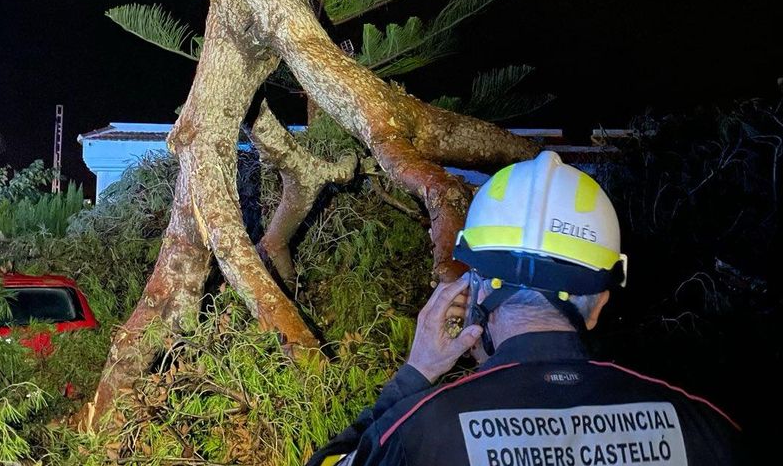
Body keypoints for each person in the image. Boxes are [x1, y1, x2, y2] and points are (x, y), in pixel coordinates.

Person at [307, 151, 743, 466]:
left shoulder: (424, 430)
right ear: (597, 305)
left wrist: (414, 376)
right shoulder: (702, 424)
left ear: (477, 293)